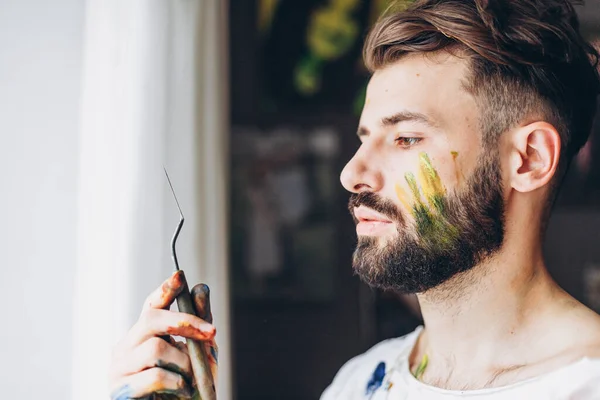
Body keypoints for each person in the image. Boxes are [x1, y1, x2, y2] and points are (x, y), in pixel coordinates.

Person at [109, 0, 600, 398]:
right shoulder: (359, 382)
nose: (351, 173)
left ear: (529, 159)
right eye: (364, 138)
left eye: (406, 138)